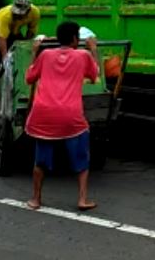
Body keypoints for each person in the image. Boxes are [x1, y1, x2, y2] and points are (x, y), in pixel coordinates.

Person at [24, 21, 99, 211]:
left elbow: (29, 78)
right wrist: (93, 50)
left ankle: (35, 199)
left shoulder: (46, 55)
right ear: (75, 39)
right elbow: (94, 75)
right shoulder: (83, 56)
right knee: (81, 159)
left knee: (40, 160)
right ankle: (82, 199)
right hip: (70, 116)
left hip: (43, 114)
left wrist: (34, 52)